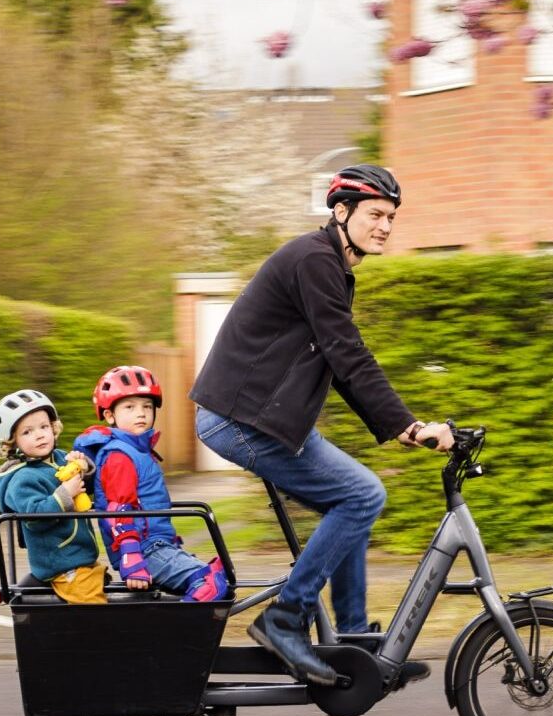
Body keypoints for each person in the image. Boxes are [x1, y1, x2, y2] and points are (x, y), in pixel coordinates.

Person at [191, 164, 452, 686]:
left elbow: (340, 364)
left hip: (260, 418)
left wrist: (401, 428)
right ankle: (285, 621)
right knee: (362, 496)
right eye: (375, 214)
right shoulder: (315, 259)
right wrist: (408, 422)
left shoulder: (329, 265)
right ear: (341, 212)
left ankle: (352, 638)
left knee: (351, 499)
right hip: (238, 419)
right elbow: (347, 350)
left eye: (391, 217)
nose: (385, 226)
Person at [72, 365, 232, 604]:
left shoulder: (137, 451)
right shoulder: (119, 455)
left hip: (156, 545)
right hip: (143, 550)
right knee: (211, 584)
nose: (141, 413)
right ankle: (178, 637)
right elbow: (118, 509)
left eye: (147, 406)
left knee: (220, 576)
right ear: (109, 416)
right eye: (130, 406)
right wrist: (131, 559)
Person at [0, 389, 109, 604]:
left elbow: (89, 488)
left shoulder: (60, 458)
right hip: (60, 563)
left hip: (80, 557)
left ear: (53, 428)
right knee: (94, 607)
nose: (40, 434)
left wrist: (84, 467)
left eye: (44, 427)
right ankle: (96, 637)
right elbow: (34, 517)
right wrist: (65, 495)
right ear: (11, 443)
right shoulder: (22, 479)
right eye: (27, 432)